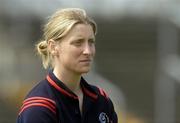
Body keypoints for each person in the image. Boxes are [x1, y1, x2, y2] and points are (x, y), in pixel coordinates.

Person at [17, 8, 118, 123]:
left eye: (91, 42)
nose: (88, 51)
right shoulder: (39, 107)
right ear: (53, 47)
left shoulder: (101, 99)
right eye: (78, 42)